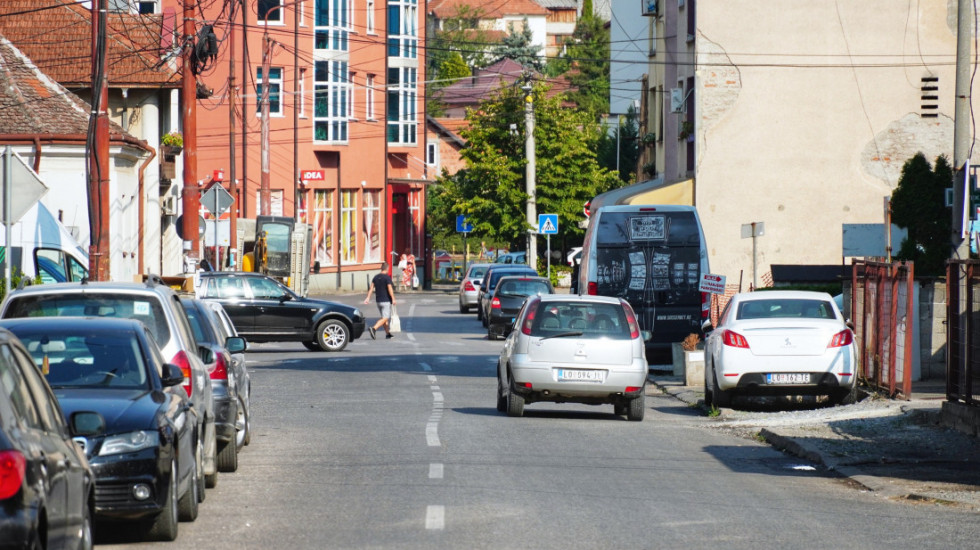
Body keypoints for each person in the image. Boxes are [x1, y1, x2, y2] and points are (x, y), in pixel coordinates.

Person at [364, 262, 397, 339]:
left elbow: (371, 288)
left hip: (378, 301)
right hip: (386, 300)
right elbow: (390, 288)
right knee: (386, 317)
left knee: (383, 318)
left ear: (381, 268)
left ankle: (387, 334)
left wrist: (368, 298)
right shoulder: (387, 278)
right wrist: (393, 298)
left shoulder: (375, 277)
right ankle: (374, 328)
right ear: (387, 269)